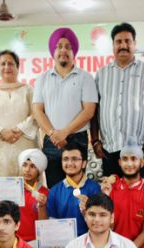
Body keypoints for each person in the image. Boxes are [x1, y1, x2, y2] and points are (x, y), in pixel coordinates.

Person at [90, 22, 144, 177]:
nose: (123, 45)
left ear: (134, 44)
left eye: (127, 41)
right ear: (113, 45)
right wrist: (95, 140)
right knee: (111, 195)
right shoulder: (101, 74)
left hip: (138, 149)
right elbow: (95, 110)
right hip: (109, 149)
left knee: (136, 195)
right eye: (119, 41)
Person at [32, 27, 98, 188]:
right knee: (55, 187)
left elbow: (89, 111)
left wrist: (65, 132)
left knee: (78, 186)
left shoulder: (85, 77)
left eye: (68, 47)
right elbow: (37, 110)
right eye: (59, 46)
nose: (63, 50)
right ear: (53, 52)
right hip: (52, 139)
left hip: (77, 139)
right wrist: (54, 134)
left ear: (73, 52)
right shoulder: (42, 79)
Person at [0, 50, 39, 177]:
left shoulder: (28, 90)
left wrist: (20, 129)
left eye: (11, 64)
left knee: (26, 183)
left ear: (17, 67)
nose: (7, 67)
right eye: (3, 64)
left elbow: (36, 114)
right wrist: (2, 131)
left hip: (24, 143)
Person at [99, 145, 144, 248]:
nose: (129, 164)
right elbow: (107, 227)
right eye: (125, 159)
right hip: (112, 247)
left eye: (134, 159)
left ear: (142, 162)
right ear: (120, 162)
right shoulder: (111, 187)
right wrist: (105, 195)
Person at [16, 148, 49, 245]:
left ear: (39, 170)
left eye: (33, 166)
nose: (27, 170)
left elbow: (45, 225)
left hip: (36, 242)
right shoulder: (13, 189)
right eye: (24, 165)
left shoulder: (45, 193)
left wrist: (42, 206)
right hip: (14, 241)